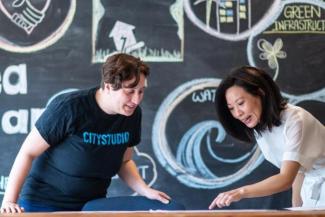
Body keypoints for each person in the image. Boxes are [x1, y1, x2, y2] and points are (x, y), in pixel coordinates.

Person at [0, 53, 177, 213]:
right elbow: (28, 153)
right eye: (129, 92)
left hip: (91, 205)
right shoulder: (69, 108)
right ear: (108, 87)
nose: (136, 100)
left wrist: (145, 190)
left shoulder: (131, 114)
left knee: (173, 208)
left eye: (141, 91)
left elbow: (124, 161)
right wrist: (9, 201)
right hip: (44, 203)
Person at [209, 66, 325, 209]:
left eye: (240, 103)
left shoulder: (296, 120)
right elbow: (298, 169)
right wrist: (297, 206)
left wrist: (241, 192)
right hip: (312, 187)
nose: (237, 113)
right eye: (231, 108)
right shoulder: (261, 128)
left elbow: (286, 178)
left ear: (260, 93)